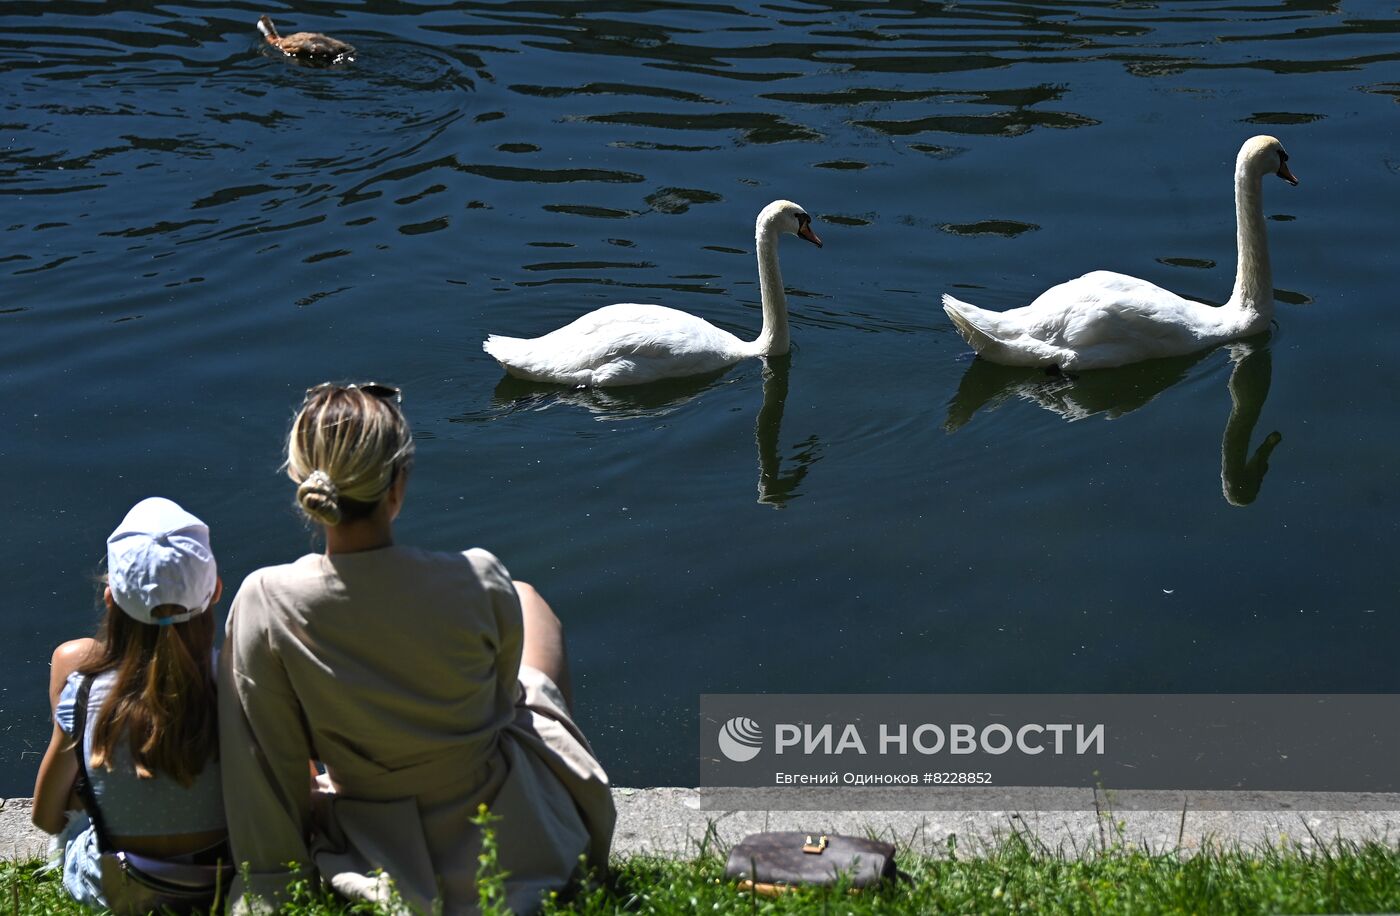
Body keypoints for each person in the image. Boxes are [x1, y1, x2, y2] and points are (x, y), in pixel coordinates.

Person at [219, 382, 615, 915]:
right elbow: (503, 703)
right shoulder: (479, 578)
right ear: (397, 487)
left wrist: (274, 880)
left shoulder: (264, 600)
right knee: (528, 603)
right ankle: (550, 803)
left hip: (371, 836)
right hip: (509, 835)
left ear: (303, 483)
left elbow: (263, 755)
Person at [31, 497, 228, 908]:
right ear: (215, 593)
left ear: (110, 599)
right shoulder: (243, 683)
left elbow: (46, 817)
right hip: (224, 879)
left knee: (74, 655)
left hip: (117, 883)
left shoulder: (83, 693)